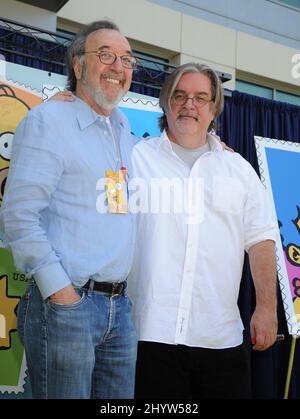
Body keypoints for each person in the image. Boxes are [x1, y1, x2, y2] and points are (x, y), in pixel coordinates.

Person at [0, 20, 138, 399]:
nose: (118, 67)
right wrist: (61, 295)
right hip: (67, 306)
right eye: (106, 55)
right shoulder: (48, 121)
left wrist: (209, 142)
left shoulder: (124, 128)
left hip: (120, 311)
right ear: (78, 66)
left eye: (127, 59)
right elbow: (19, 216)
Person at [128, 62, 279, 399]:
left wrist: (266, 308)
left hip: (219, 338)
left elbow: (262, 240)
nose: (188, 104)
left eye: (200, 98)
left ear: (214, 109)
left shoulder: (239, 170)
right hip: (148, 335)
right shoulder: (135, 159)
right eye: (179, 96)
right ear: (166, 102)